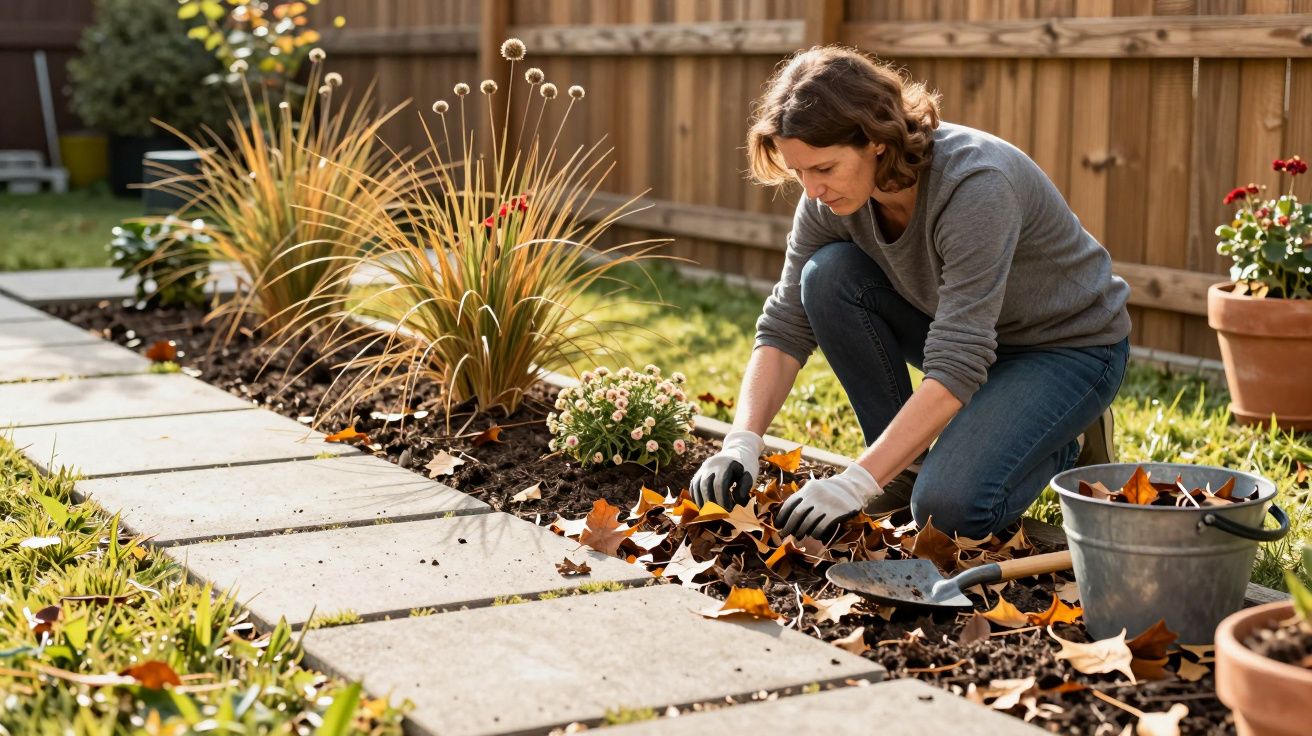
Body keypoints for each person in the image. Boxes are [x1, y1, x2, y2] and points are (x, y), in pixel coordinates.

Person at [689, 46, 1131, 543]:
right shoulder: (829, 200)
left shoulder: (975, 186)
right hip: (965, 335)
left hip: (1065, 348)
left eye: (825, 169)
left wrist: (854, 481)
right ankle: (902, 467)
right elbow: (785, 323)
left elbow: (958, 360)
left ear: (875, 140)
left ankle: (1059, 437)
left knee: (948, 514)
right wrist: (741, 441)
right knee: (827, 276)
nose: (812, 191)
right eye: (800, 173)